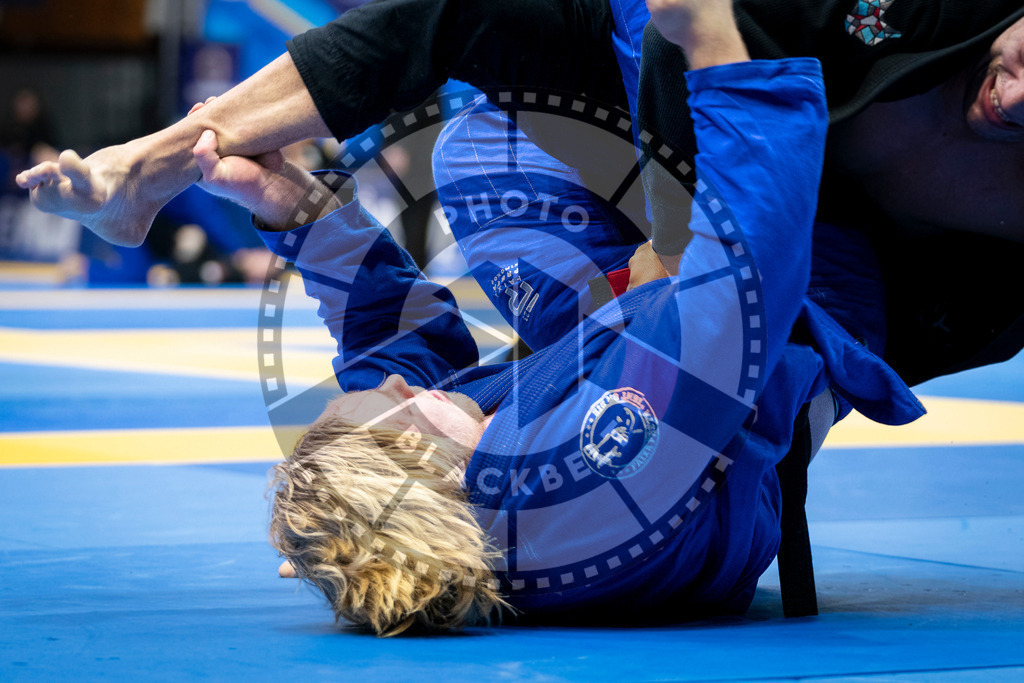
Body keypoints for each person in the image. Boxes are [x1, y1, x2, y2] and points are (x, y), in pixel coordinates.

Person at [189, 0, 921, 635]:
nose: (406, 390)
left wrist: (299, 213)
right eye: (394, 408)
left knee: (478, 135)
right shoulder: (591, 486)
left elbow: (401, 355)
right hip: (814, 289)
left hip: (649, 333)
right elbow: (743, 290)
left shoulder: (483, 509)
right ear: (414, 475)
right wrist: (717, 56)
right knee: (607, 52)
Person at [14, 0, 1024, 389]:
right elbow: (698, 32)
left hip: (827, 286)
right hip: (713, 152)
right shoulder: (932, 8)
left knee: (656, 384)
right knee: (478, 17)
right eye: (1021, 63)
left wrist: (308, 226)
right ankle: (150, 165)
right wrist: (675, 250)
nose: (1010, 97)